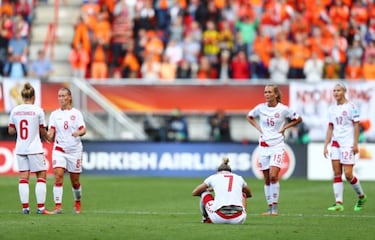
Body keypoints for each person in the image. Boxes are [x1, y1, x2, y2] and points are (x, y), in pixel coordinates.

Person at [246, 84, 302, 216]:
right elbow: (249, 116)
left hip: (277, 146)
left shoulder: (283, 109)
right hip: (263, 147)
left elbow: (298, 119)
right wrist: (259, 128)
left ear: (276, 94)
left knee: (273, 175)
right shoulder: (260, 108)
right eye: (265, 92)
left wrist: (285, 127)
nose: (266, 94)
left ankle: (275, 207)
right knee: (266, 178)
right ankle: (269, 207)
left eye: (269, 92)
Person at [8, 82, 51, 214]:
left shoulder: (15, 110)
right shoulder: (38, 110)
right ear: (34, 97)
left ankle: (25, 208)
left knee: (23, 177)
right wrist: (48, 137)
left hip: (20, 148)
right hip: (34, 148)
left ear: (22, 97)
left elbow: (10, 131)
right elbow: (42, 130)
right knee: (41, 175)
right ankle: (41, 208)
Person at [323, 82, 367, 212]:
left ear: (344, 91)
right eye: (334, 91)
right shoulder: (331, 109)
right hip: (335, 143)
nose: (336, 93)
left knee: (348, 175)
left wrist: (355, 143)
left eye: (338, 90)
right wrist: (326, 145)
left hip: (348, 144)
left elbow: (356, 126)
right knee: (337, 173)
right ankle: (339, 203)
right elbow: (330, 127)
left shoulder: (351, 107)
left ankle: (362, 196)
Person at [47, 87, 86, 214]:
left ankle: (77, 202)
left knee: (75, 182)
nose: (61, 99)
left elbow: (83, 130)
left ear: (69, 97)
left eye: (64, 96)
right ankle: (58, 206)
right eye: (59, 96)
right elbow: (51, 132)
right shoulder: (54, 114)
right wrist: (46, 135)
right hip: (59, 149)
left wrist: (78, 133)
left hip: (74, 151)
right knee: (58, 175)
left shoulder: (76, 113)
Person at [192, 157, 252, 224]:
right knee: (243, 193)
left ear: (218, 172)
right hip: (239, 219)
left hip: (219, 218)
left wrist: (212, 189)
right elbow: (249, 194)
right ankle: (243, 213)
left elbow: (195, 192)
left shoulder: (214, 177)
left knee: (204, 192)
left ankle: (206, 219)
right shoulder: (239, 178)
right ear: (230, 172)